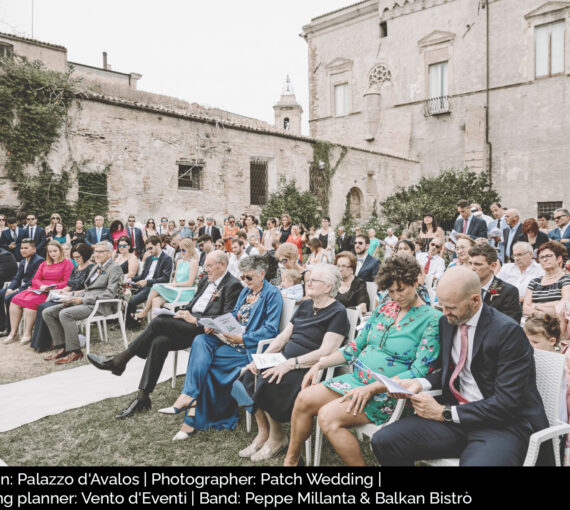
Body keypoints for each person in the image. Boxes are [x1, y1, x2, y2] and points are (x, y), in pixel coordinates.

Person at [371, 266, 551, 466]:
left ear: (475, 300)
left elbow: (507, 403)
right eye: (442, 306)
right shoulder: (446, 322)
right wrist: (418, 384)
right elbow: (452, 371)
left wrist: (444, 413)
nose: (445, 313)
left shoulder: (507, 333)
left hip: (501, 426)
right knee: (384, 441)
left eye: (451, 307)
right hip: (456, 420)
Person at [284, 254, 441, 466]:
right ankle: (291, 461)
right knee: (303, 399)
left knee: (328, 416)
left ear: (415, 281)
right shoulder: (386, 308)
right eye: (390, 291)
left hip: (390, 394)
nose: (396, 296)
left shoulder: (432, 319)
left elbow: (419, 372)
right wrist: (320, 363)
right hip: (357, 380)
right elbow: (354, 348)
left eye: (401, 289)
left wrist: (373, 388)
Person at [87, 251, 243, 419]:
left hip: (206, 331)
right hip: (188, 323)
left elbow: (226, 317)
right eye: (205, 266)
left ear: (222, 265)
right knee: (159, 341)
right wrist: (184, 312)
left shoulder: (233, 285)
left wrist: (196, 320)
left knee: (159, 321)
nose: (206, 270)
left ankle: (120, 360)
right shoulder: (205, 280)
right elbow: (193, 304)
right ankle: (142, 397)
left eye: (210, 266)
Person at [238, 264, 349, 462]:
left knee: (269, 379)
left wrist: (291, 364)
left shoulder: (338, 312)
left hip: (309, 368)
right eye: (309, 279)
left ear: (328, 286)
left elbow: (326, 351)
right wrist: (260, 359)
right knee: (250, 373)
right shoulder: (305, 305)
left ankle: (276, 438)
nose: (309, 282)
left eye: (315, 280)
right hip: (285, 359)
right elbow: (282, 338)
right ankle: (265, 433)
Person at [164, 256, 283, 439]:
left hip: (247, 347)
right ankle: (188, 395)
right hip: (229, 338)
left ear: (262, 274)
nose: (245, 281)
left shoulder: (272, 294)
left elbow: (270, 330)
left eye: (249, 277)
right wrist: (218, 325)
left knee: (208, 365)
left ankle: (191, 417)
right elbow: (235, 314)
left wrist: (242, 338)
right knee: (201, 340)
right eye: (243, 277)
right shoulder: (246, 292)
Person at [42, 241, 122, 364]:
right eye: (96, 251)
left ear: (110, 253)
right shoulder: (96, 266)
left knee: (65, 314)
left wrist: (83, 299)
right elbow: (88, 289)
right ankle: (63, 347)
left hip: (99, 305)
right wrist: (73, 297)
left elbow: (110, 293)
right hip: (85, 300)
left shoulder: (115, 268)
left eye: (100, 252)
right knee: (48, 312)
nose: (97, 254)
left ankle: (75, 351)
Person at [2, 241, 73, 345]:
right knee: (15, 300)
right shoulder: (44, 263)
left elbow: (67, 281)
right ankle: (13, 333)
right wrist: (41, 286)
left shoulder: (67, 263)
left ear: (60, 251)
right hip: (39, 289)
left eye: (55, 251)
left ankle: (28, 333)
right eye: (50, 251)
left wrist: (53, 287)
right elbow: (35, 279)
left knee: (31, 303)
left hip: (54, 291)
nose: (52, 253)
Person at [30, 243, 94, 352]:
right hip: (68, 295)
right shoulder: (76, 268)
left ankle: (45, 342)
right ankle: (43, 342)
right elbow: (69, 286)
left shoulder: (91, 268)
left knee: (45, 308)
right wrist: (61, 291)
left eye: (78, 257)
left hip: (79, 298)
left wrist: (72, 294)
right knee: (42, 306)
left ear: (86, 255)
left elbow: (90, 289)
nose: (76, 259)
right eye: (74, 257)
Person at [134, 238, 199, 319]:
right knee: (155, 300)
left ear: (189, 250)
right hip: (175, 290)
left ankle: (144, 312)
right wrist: (171, 284)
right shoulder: (179, 262)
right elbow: (175, 279)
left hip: (185, 292)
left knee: (155, 287)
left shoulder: (193, 263)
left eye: (184, 250)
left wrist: (175, 285)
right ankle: (154, 326)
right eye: (180, 250)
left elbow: (189, 283)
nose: (181, 252)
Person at [125, 236, 173, 328]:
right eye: (147, 249)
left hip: (153, 287)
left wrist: (147, 282)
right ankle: (129, 320)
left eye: (150, 248)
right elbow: (143, 275)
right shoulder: (149, 259)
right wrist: (131, 279)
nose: (149, 251)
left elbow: (165, 279)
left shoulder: (167, 259)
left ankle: (131, 324)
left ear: (158, 245)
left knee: (133, 300)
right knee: (125, 296)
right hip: (142, 284)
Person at [0, 239, 44, 337]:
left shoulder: (39, 260)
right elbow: (16, 278)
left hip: (31, 289)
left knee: (8, 298)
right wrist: (9, 289)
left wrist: (17, 290)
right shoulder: (23, 261)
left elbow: (32, 281)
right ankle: (2, 325)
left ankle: (10, 329)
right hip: (20, 288)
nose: (23, 250)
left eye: (26, 248)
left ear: (34, 249)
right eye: (21, 248)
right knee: (1, 293)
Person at [468, 244, 522, 323]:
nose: (472, 268)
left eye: (477, 264)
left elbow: (509, 326)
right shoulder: (464, 288)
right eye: (470, 263)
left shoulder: (508, 292)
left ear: (493, 266)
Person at [523, 242, 570, 329]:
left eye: (548, 256)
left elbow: (564, 304)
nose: (545, 259)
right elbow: (525, 308)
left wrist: (536, 305)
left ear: (559, 259)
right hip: (533, 324)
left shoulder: (566, 279)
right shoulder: (534, 282)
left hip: (557, 325)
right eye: (541, 257)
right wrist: (549, 311)